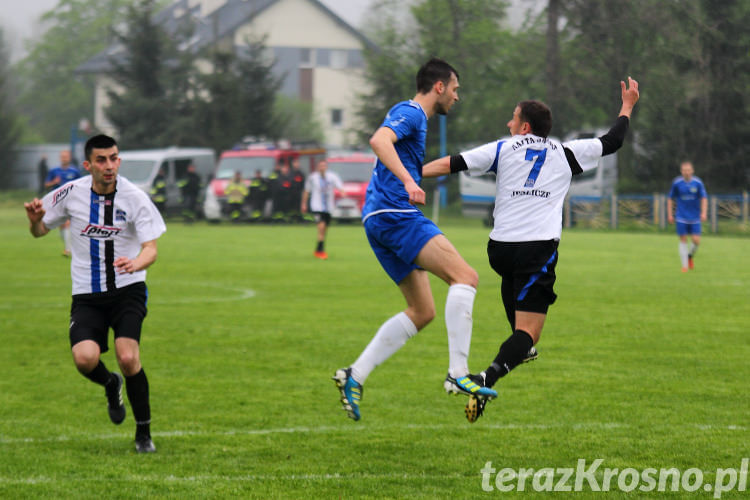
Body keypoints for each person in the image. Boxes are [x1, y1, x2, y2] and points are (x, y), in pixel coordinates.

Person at [422, 77, 640, 422]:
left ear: (524, 127)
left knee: (521, 335)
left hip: (500, 249)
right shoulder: (567, 152)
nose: (508, 124)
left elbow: (451, 164)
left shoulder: (503, 148)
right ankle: (485, 378)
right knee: (527, 334)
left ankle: (520, 349)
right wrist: (627, 105)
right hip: (535, 249)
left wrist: (406, 175)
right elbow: (612, 141)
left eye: (512, 118)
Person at [332, 58, 496, 422]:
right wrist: (408, 182)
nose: (456, 97)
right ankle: (457, 373)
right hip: (396, 214)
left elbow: (392, 149)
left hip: (377, 219)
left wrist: (410, 175)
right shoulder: (413, 113)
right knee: (466, 277)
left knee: (423, 311)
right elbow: (379, 140)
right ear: (439, 87)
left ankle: (353, 376)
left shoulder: (408, 115)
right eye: (455, 89)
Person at [23, 134, 166, 452]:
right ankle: (109, 383)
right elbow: (40, 230)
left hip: (128, 290)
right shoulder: (71, 193)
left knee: (128, 358)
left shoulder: (134, 197)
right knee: (84, 359)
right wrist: (34, 222)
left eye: (114, 158)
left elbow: (151, 250)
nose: (109, 165)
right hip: (87, 294)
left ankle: (144, 434)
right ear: (88, 165)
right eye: (101, 160)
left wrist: (135, 263)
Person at [667, 161, 708, 272]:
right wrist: (670, 214)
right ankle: (684, 266)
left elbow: (704, 198)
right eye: (684, 170)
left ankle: (689, 256)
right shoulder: (677, 183)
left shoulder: (698, 183)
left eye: (688, 170)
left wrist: (704, 213)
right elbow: (670, 198)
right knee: (683, 239)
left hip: (695, 217)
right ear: (681, 171)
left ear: (692, 171)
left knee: (696, 241)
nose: (686, 172)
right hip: (681, 216)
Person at [301, 160, 344, 259]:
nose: (322, 167)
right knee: (321, 227)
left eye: (324, 166)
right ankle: (321, 252)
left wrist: (342, 192)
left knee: (324, 230)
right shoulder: (312, 178)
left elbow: (340, 186)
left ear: (326, 167)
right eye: (320, 166)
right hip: (317, 207)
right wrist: (303, 204)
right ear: (318, 167)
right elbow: (307, 191)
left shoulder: (332, 177)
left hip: (329, 207)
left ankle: (318, 250)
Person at [44, 150, 81, 257]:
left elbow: (81, 185)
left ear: (69, 158)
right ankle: (68, 246)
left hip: (71, 201)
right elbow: (46, 184)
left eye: (66, 156)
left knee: (67, 224)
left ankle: (68, 250)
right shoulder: (54, 171)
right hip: (58, 202)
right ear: (60, 158)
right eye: (63, 157)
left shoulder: (75, 171)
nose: (64, 158)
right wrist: (54, 182)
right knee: (61, 226)